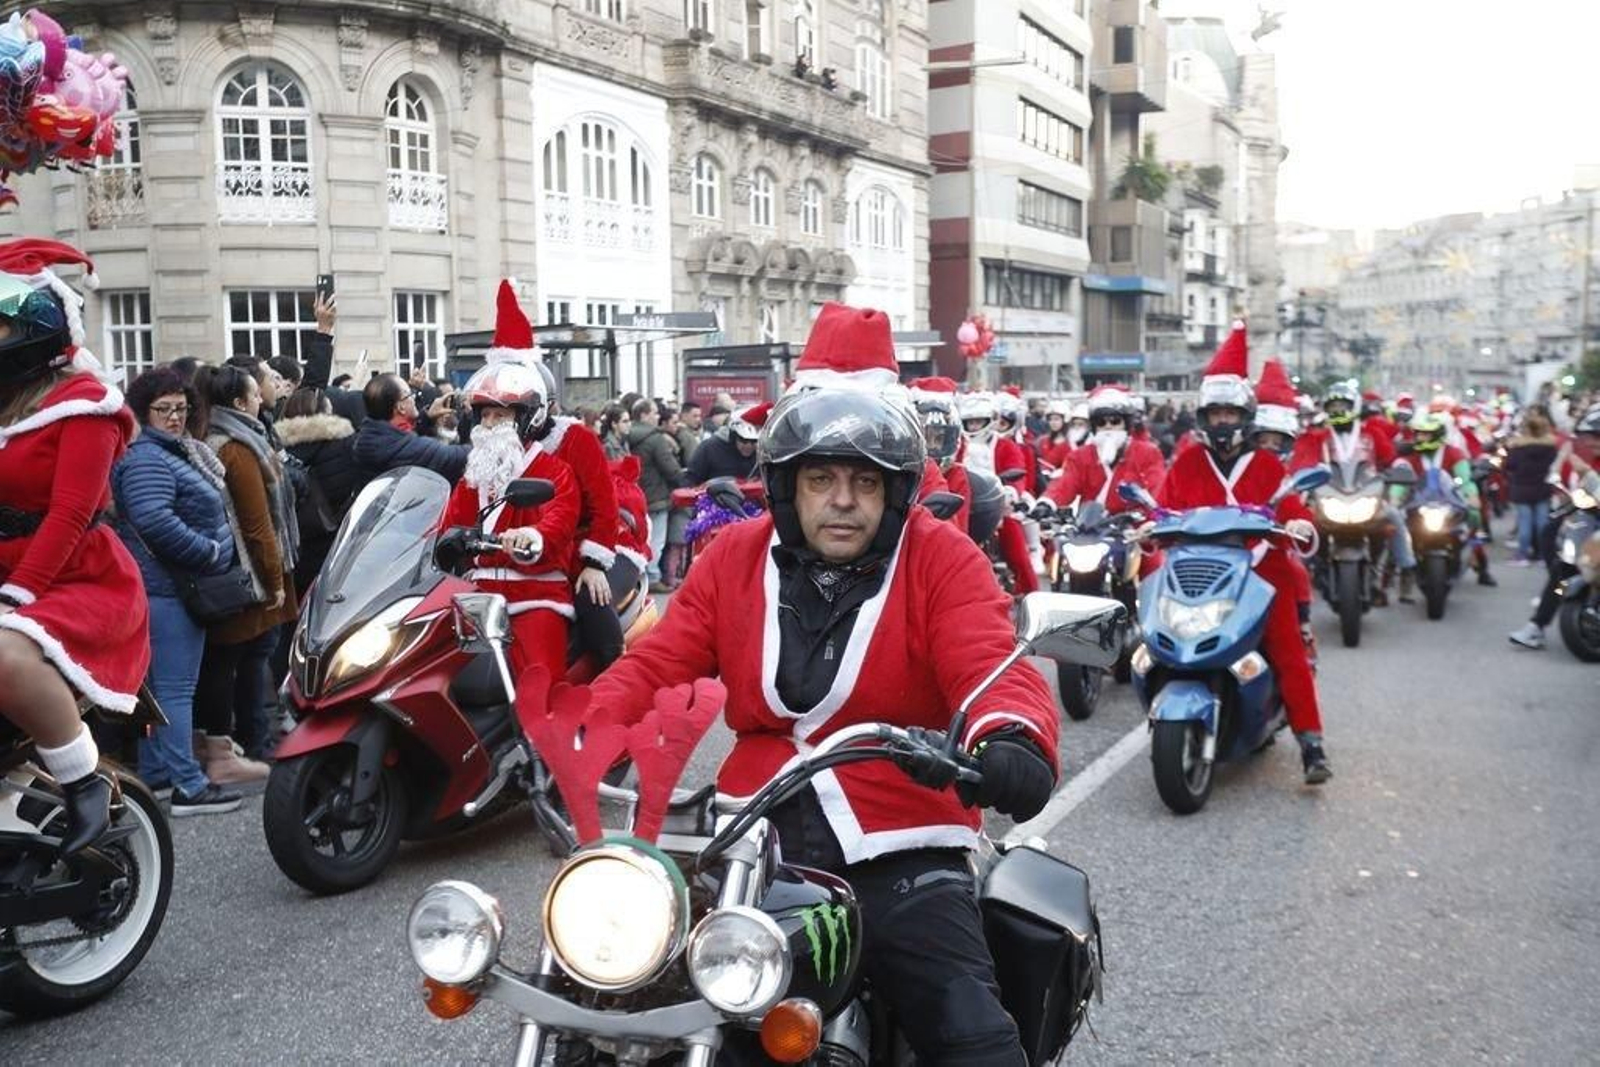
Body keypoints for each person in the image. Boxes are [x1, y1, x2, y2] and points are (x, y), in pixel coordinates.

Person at [589, 302, 1058, 1064]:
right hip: (750, 837)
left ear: (893, 491)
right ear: (788, 485)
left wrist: (1009, 735)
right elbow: (657, 660)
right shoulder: (735, 556)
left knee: (973, 1034)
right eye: (821, 477)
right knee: (618, 989)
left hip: (899, 839)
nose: (842, 499)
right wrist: (588, 723)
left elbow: (990, 663)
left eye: (864, 481)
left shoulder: (940, 558)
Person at [0, 239, 152, 853]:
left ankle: (84, 781)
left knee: (5, 656)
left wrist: (14, 596)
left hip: (74, 578)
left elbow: (68, 515)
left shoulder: (85, 408)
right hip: (15, 569)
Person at [1157, 327, 1331, 784]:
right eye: (1214, 412)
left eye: (1230, 412)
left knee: (1288, 647)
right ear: (1202, 416)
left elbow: (1292, 505)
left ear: (1246, 416)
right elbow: (1164, 507)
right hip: (1196, 571)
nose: (1222, 421)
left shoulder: (1270, 465)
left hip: (1260, 574)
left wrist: (1298, 523)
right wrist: (1147, 527)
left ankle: (1311, 742)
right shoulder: (1188, 462)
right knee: (1152, 630)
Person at [112, 367, 242, 815]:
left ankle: (159, 775)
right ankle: (189, 785)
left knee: (156, 688)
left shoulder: (175, 452)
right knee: (174, 688)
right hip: (167, 588)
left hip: (162, 586)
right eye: (163, 409)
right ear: (143, 411)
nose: (174, 417)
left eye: (181, 408)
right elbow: (153, 521)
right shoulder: (149, 458)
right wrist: (207, 552)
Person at [438, 361, 580, 699]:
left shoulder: (553, 470)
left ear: (526, 418)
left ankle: (546, 747)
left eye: (499, 416)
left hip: (534, 593)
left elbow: (560, 518)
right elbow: (451, 520)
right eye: (485, 415)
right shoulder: (475, 474)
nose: (489, 424)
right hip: (477, 596)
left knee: (540, 685)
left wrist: (533, 536)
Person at [195, 363, 297, 772]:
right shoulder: (236, 446)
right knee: (248, 659)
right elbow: (257, 524)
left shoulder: (237, 437)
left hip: (244, 569)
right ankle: (253, 738)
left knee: (243, 660)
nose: (261, 398)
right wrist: (274, 580)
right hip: (250, 575)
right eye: (256, 393)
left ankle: (242, 737)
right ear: (239, 403)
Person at [1291, 381, 1417, 605]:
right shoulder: (1317, 436)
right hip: (1328, 497)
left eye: (1343, 405)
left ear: (1355, 406)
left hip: (1366, 495)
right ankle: (1297, 582)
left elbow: (1390, 458)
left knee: (1395, 516)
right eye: (1333, 406)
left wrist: (1400, 467)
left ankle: (1406, 569)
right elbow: (1300, 463)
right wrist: (1297, 479)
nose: (1338, 410)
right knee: (1302, 528)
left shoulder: (1372, 434)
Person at [1510, 405, 1599, 649]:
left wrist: (1589, 477)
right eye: (1590, 436)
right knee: (1563, 571)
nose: (1592, 442)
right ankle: (1537, 625)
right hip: (1591, 519)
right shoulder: (1586, 458)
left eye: (1597, 436)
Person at [276, 386, 362, 592]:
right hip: (338, 543)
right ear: (326, 411)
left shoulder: (276, 448)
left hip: (295, 546)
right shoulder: (346, 443)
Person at [1395, 412, 1496, 587]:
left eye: (1426, 434)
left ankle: (1482, 567)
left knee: (1473, 518)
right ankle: (1387, 579)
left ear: (1438, 435)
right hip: (1418, 503)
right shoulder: (1409, 455)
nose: (1420, 438)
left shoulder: (1454, 453)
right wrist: (1394, 499)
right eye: (1418, 433)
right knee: (1395, 527)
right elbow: (1399, 481)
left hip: (1448, 503)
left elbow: (1465, 479)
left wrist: (1472, 496)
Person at [1040, 385, 1166, 515]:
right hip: (1089, 527)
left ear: (1126, 425)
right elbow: (1065, 485)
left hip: (1134, 525)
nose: (1108, 427)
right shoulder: (1080, 456)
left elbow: (1157, 487)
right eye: (1101, 422)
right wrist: (1047, 503)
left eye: (1115, 421)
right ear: (1094, 427)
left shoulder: (1147, 452)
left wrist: (1150, 516)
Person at [351, 372, 469, 483]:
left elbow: (402, 439)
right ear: (401, 407)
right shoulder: (405, 448)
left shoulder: (368, 437)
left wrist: (427, 418)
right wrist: (477, 419)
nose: (414, 400)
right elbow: (456, 456)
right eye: (410, 395)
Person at [627, 397, 687, 591]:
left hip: (635, 494)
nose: (657, 416)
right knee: (656, 539)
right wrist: (684, 479)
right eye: (654, 412)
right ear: (644, 415)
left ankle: (639, 576)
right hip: (657, 497)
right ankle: (652, 577)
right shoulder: (655, 438)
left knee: (639, 538)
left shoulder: (627, 436)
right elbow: (670, 469)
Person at [1503, 408, 1559, 566]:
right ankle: (1543, 555)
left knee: (1524, 522)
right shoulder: (1551, 447)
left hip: (1522, 487)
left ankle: (1522, 555)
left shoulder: (1517, 447)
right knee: (1542, 522)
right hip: (1543, 488)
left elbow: (1509, 465)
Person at [685, 403, 767, 484]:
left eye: (754, 441)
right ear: (733, 436)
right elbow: (690, 481)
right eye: (743, 440)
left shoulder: (765, 453)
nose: (748, 446)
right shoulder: (709, 448)